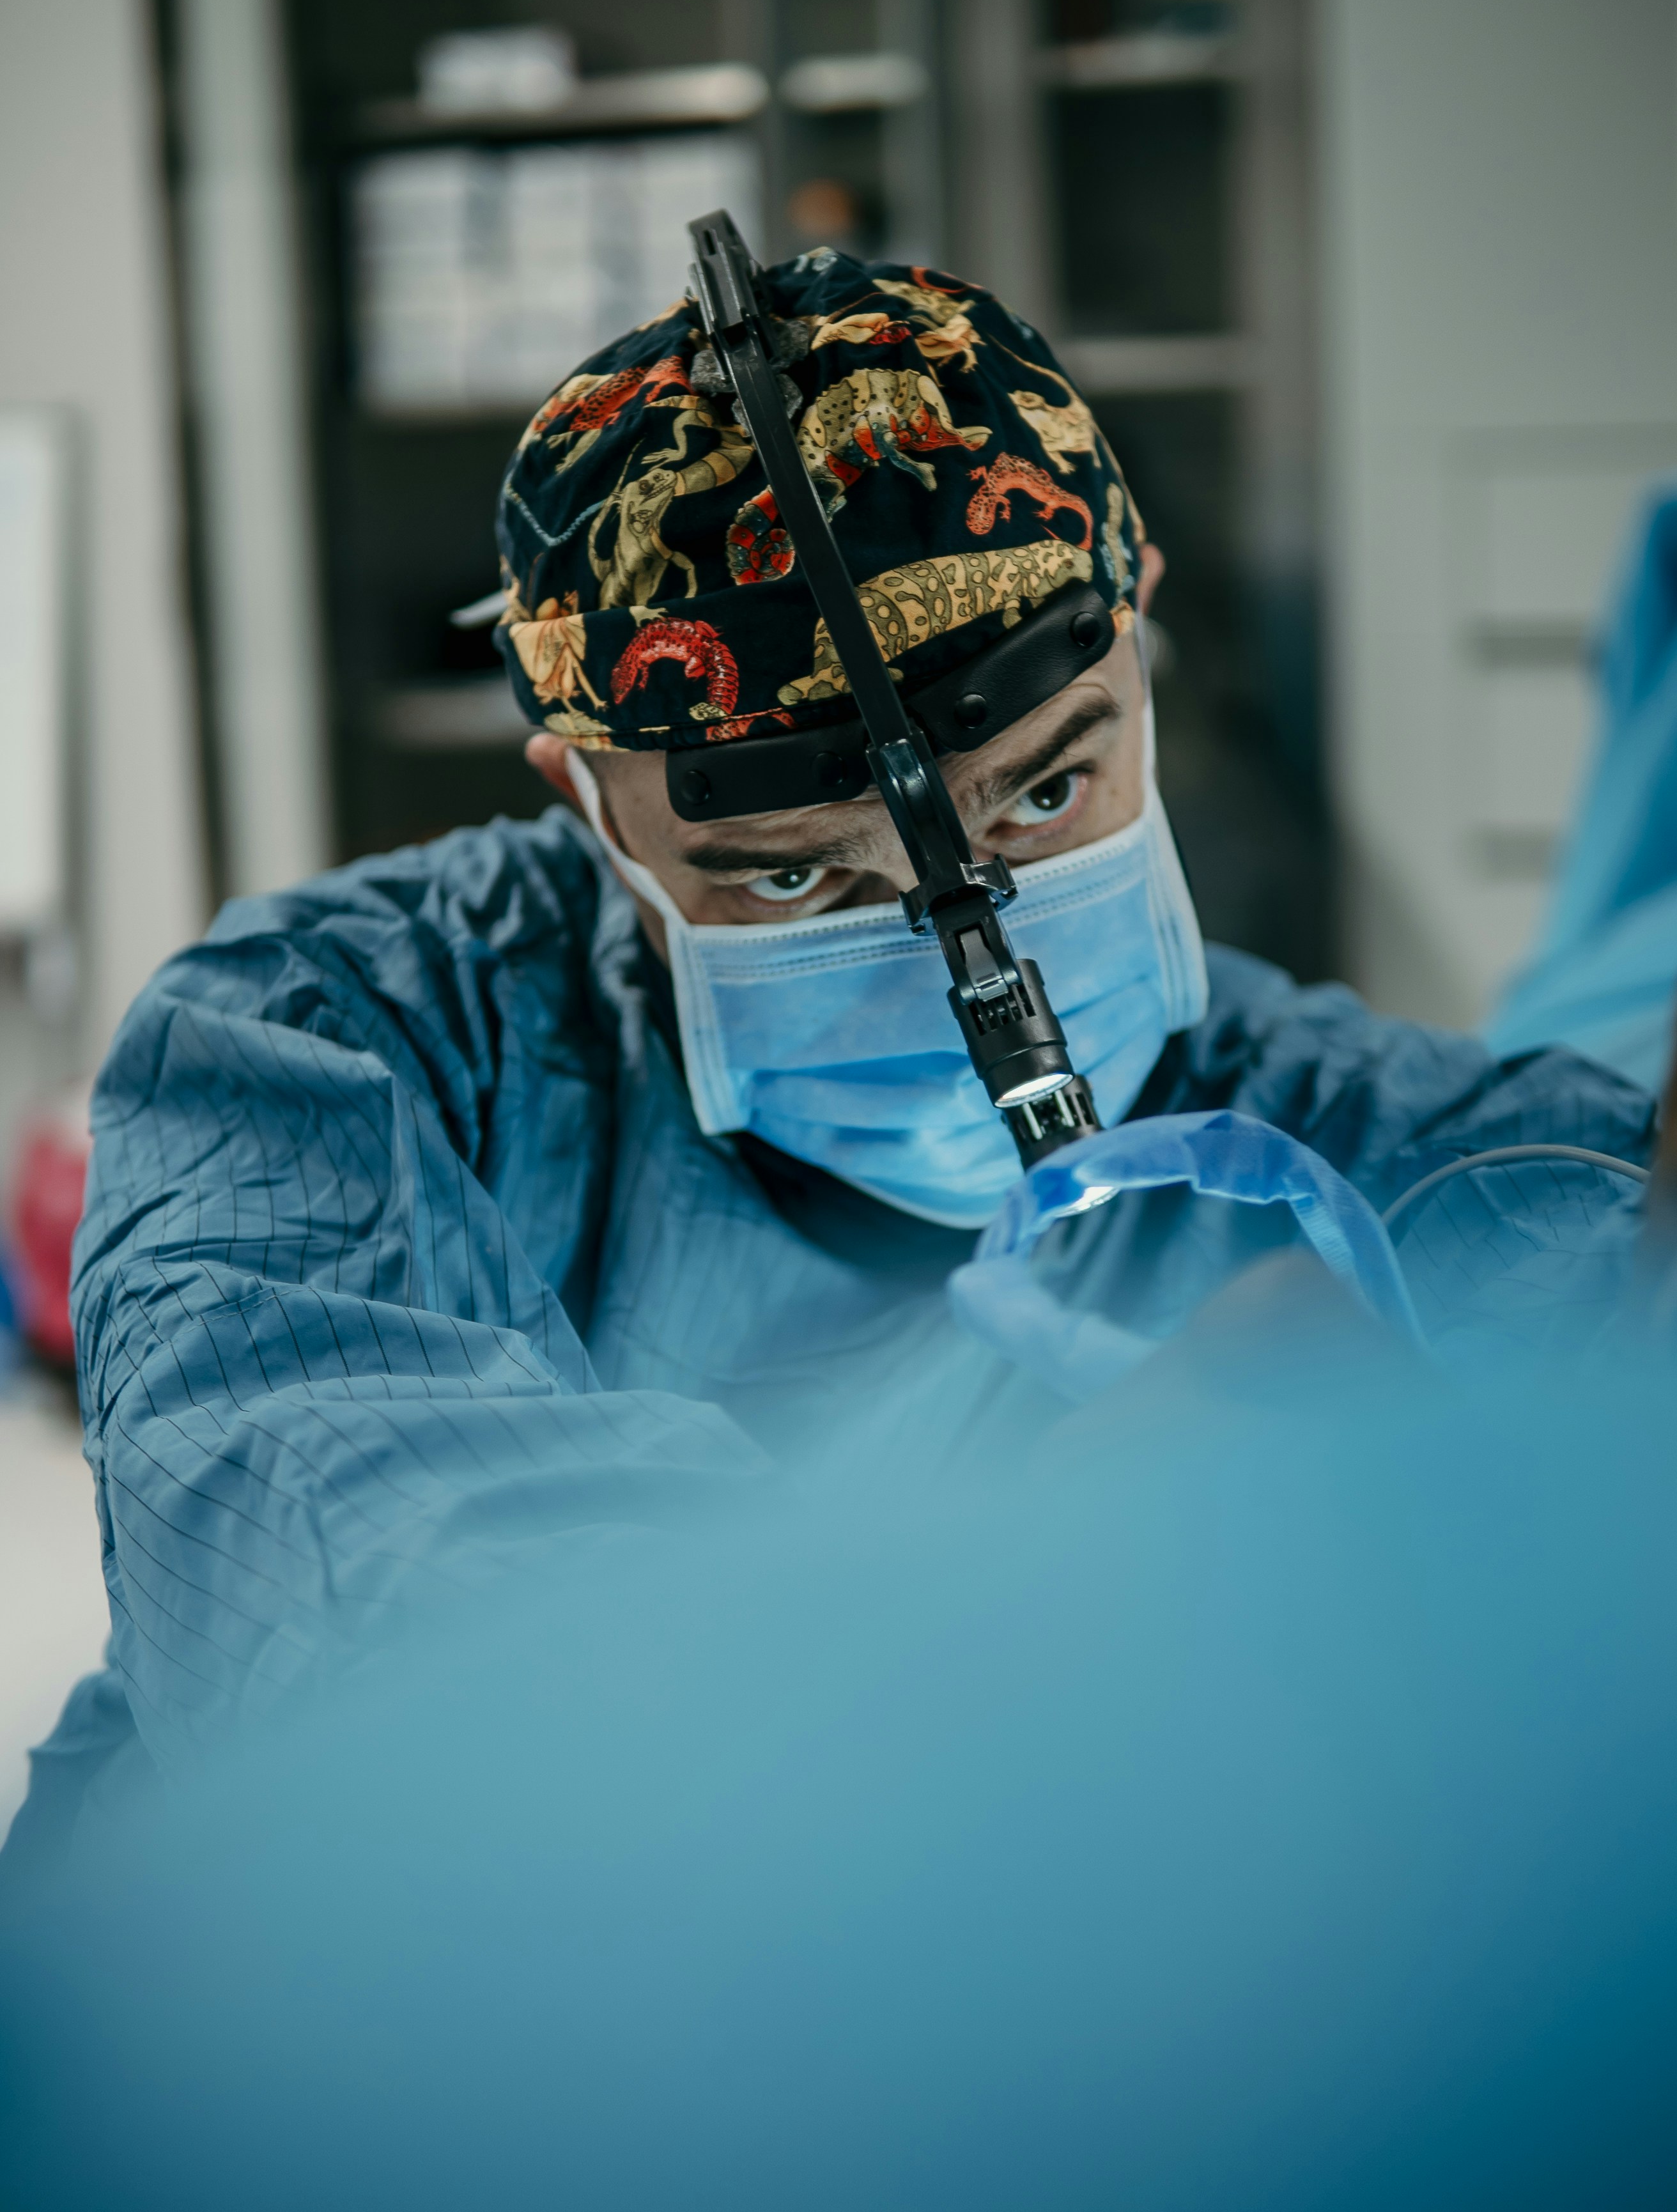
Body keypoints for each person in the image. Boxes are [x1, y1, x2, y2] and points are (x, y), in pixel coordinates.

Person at [14, 249, 1654, 1829]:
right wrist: (1056, 1600)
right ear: (586, 801)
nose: (974, 959)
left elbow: (1582, 1257)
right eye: (790, 875)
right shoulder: (336, 1047)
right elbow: (375, 1678)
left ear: (1138, 628)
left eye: (1049, 792)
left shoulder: (1321, 1136)